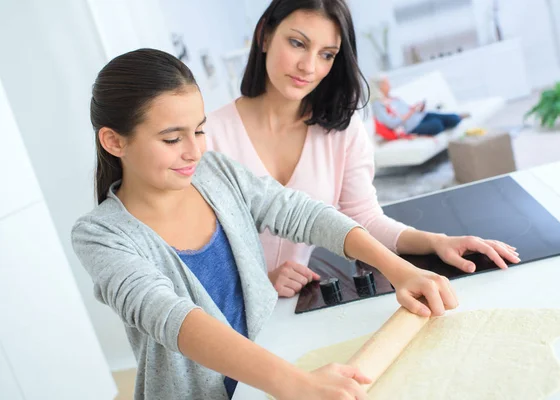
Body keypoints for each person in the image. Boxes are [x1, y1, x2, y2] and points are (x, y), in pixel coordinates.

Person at [72, 48, 459, 400]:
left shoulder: (215, 173)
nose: (195, 151)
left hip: (271, 371)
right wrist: (296, 385)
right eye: (173, 139)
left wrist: (399, 269)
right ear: (114, 141)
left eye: (200, 130)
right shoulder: (102, 236)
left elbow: (300, 213)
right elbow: (171, 316)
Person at [206, 0, 519, 297]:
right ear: (264, 36)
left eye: (327, 54)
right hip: (231, 310)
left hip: (301, 300)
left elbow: (364, 220)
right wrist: (260, 282)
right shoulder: (208, 136)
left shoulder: (340, 129)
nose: (308, 66)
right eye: (297, 43)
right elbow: (193, 251)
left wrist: (436, 241)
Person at [372, 76, 471, 138]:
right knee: (438, 125)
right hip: (412, 127)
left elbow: (408, 109)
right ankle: (443, 124)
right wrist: (410, 112)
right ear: (380, 87)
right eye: (387, 84)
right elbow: (391, 123)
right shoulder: (377, 105)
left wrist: (417, 108)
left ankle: (454, 118)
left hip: (422, 115)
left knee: (454, 118)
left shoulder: (393, 98)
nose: (390, 85)